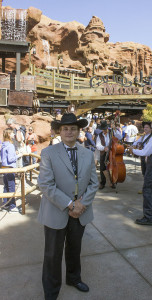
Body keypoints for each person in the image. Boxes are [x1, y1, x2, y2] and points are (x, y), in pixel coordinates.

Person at [38, 113, 98, 300]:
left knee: (75, 249)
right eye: (65, 128)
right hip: (57, 211)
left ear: (79, 131)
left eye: (73, 128)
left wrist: (82, 204)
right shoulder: (48, 153)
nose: (69, 132)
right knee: (52, 255)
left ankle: (74, 278)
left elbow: (94, 183)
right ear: (59, 131)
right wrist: (71, 204)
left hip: (81, 212)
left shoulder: (88, 153)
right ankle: (51, 291)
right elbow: (46, 185)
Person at [96, 120, 122, 189]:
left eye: (105, 129)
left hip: (112, 153)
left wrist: (115, 129)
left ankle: (113, 181)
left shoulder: (112, 132)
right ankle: (102, 183)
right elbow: (98, 145)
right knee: (102, 168)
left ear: (107, 128)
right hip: (103, 153)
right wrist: (104, 148)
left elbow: (120, 137)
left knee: (113, 167)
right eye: (103, 129)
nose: (104, 131)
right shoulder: (99, 135)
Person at [1, 129, 22, 213]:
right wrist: (19, 155)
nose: (14, 134)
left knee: (6, 186)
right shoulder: (10, 145)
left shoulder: (3, 144)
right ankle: (12, 206)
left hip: (4, 167)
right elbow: (10, 159)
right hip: (10, 167)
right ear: (9, 134)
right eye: (13, 133)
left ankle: (6, 204)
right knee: (11, 187)